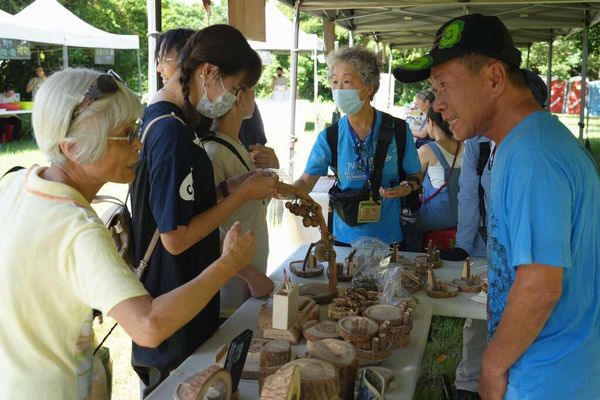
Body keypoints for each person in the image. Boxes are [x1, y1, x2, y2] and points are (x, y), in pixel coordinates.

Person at [0, 68, 255, 399]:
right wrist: (228, 264)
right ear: (74, 148)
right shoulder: (76, 229)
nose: (139, 145)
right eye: (125, 134)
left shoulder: (17, 182)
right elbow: (148, 326)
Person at [394, 13, 600, 400]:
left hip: (546, 378)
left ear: (493, 78)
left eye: (443, 85)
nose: (437, 104)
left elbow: (540, 287)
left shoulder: (533, 155)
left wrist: (491, 367)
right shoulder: (520, 144)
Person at [130, 25, 279, 396]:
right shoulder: (170, 131)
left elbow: (182, 203)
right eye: (237, 87)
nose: (235, 98)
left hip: (186, 302)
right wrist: (238, 199)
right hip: (173, 307)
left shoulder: (178, 123)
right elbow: (175, 237)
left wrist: (231, 187)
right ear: (209, 72)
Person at [294, 46, 421, 246]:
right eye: (334, 82)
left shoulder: (398, 129)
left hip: (390, 239)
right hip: (344, 239)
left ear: (368, 87)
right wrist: (281, 188)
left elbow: (416, 174)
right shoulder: (330, 136)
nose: (338, 89)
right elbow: (305, 181)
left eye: (346, 81)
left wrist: (407, 188)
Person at [204, 76, 278, 316]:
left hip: (248, 284)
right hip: (231, 290)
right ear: (239, 97)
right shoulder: (213, 152)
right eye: (253, 90)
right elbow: (203, 230)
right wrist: (249, 274)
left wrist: (272, 169)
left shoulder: (238, 147)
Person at [416, 107, 463, 233]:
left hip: (433, 221)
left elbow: (413, 182)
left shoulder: (427, 150)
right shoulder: (464, 145)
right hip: (461, 219)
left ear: (431, 122)